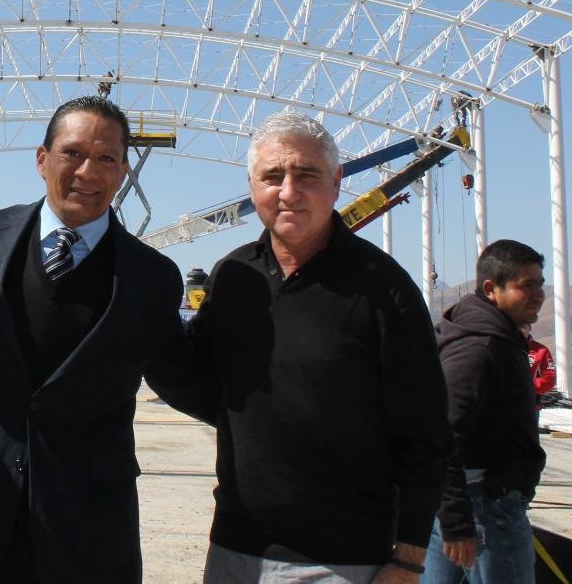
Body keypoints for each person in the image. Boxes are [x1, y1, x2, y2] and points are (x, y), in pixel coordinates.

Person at [151, 111, 452, 583]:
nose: (288, 192)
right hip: (236, 551)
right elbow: (203, 384)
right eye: (272, 177)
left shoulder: (384, 290)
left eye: (306, 175)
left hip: (344, 561)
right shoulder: (235, 277)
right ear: (252, 186)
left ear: (336, 182)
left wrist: (409, 558)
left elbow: (425, 432)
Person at [0, 95, 188, 583]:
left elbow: (184, 376)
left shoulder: (152, 277)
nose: (88, 172)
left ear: (123, 171)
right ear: (42, 159)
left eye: (107, 158)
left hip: (91, 532)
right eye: (73, 153)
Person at [422, 240, 548, 583]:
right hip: (485, 508)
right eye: (526, 286)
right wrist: (457, 522)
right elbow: (440, 436)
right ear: (492, 289)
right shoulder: (480, 348)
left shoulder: (490, 336)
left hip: (469, 504)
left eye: (540, 284)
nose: (539, 295)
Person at [525, 324, 556, 426]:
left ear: (529, 328)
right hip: (502, 406)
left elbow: (550, 378)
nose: (520, 330)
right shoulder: (502, 348)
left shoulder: (541, 350)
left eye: (524, 326)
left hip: (530, 408)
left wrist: (527, 386)